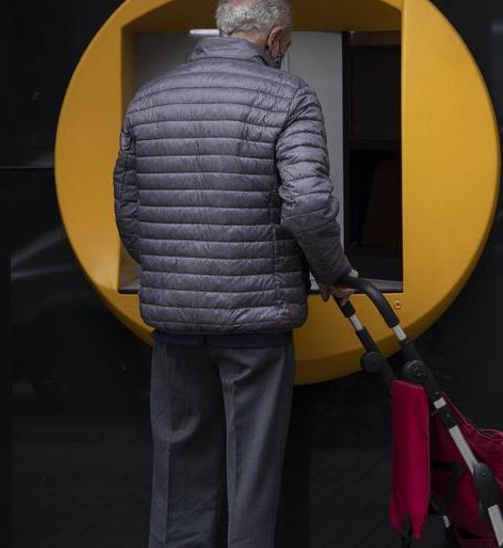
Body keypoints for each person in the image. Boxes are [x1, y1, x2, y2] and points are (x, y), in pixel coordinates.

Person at [112, 0, 355, 545]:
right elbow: (308, 207)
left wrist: (171, 267)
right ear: (273, 38)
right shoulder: (289, 96)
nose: (283, 53)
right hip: (256, 325)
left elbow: (128, 208)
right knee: (253, 468)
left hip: (176, 321)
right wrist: (332, 271)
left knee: (178, 461)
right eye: (285, 45)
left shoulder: (150, 97)